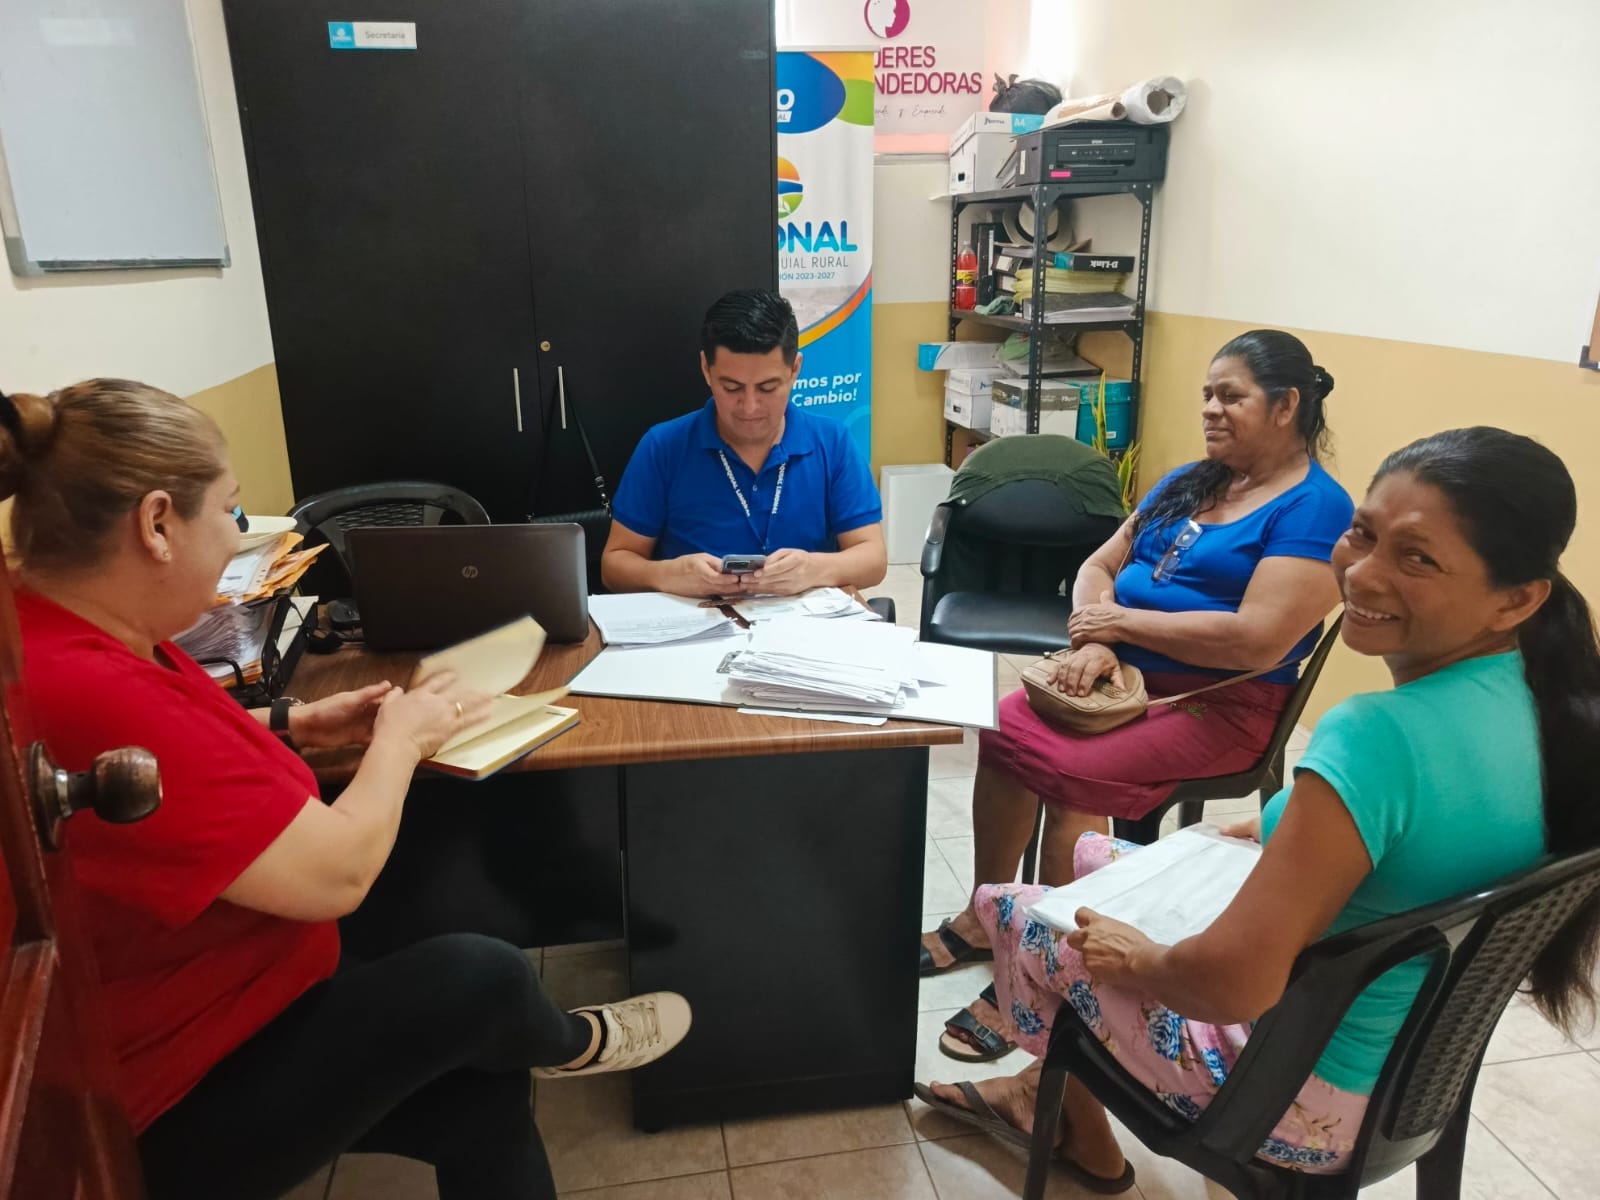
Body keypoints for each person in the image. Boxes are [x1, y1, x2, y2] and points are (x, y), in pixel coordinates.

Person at [0, 378, 693, 1200]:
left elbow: (161, 764)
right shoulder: (87, 685)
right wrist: (401, 741)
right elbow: (339, 874)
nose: (238, 537)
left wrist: (294, 722)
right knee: (480, 978)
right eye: (230, 511)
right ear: (156, 524)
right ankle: (569, 1043)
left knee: (480, 1095)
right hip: (165, 1092)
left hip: (227, 1002)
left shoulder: (55, 630)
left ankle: (534, 1043)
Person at [916, 426, 1600, 1187]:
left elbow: (1228, 986)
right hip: (1416, 1069)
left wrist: (1136, 959)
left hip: (1290, 1093)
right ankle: (1052, 1096)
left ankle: (1077, 1133)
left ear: (1517, 599)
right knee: (1089, 857)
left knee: (1021, 913)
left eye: (1417, 558)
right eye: (1363, 534)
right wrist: (1280, 827)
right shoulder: (1555, 710)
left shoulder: (1377, 737)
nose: (1361, 574)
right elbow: (1412, 843)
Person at [922, 331, 1355, 1072]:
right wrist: (1099, 643)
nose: (1211, 409)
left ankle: (1046, 961)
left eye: (1232, 396)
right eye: (1208, 394)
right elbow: (1098, 564)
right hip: (1123, 679)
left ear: (1287, 406)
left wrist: (1120, 626)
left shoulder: (1315, 509)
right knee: (1006, 728)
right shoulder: (1192, 480)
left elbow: (1255, 640)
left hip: (1220, 705)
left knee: (1073, 769)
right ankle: (984, 913)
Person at [601, 289, 887, 598]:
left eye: (767, 387)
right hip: (698, 621)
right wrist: (667, 575)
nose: (750, 407)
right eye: (732, 387)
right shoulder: (663, 447)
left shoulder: (832, 443)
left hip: (803, 623)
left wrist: (812, 570)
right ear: (706, 369)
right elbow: (614, 567)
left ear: (795, 369)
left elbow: (873, 559)